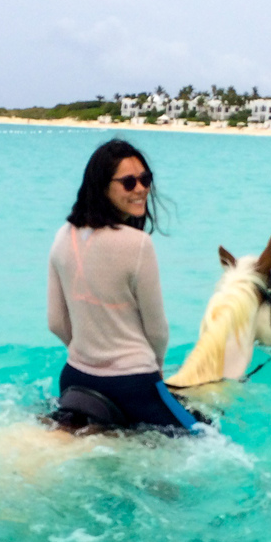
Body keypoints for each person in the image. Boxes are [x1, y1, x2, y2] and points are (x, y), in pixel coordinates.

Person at [47, 139, 201, 432]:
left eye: (145, 179)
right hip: (133, 385)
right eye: (128, 183)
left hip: (74, 378)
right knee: (206, 435)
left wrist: (89, 354)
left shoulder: (62, 235)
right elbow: (157, 330)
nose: (141, 189)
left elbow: (55, 322)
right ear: (102, 186)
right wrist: (154, 372)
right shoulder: (139, 244)